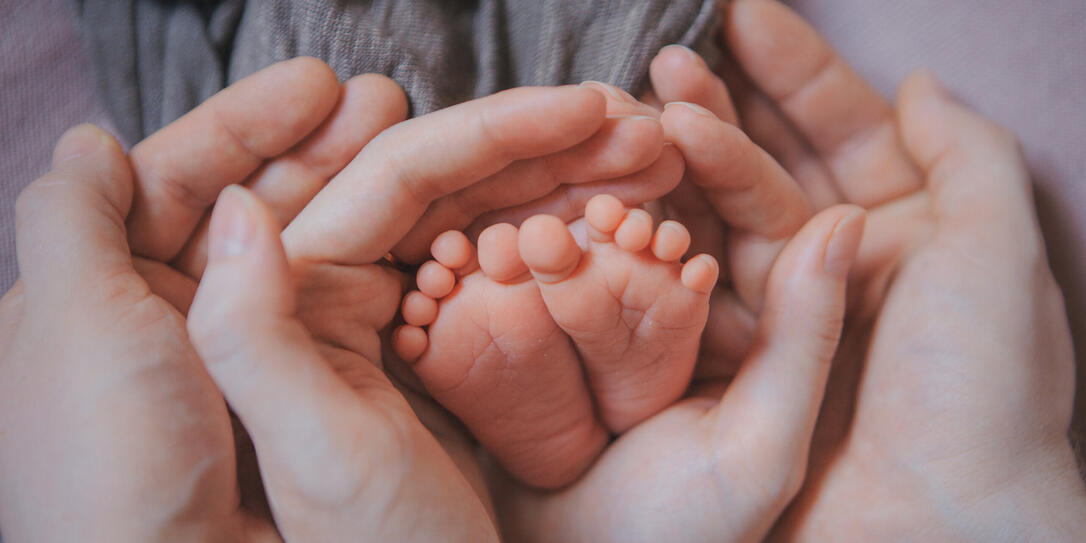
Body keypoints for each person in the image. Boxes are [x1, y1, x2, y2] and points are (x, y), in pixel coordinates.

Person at [0, 2, 1083, 543]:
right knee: (615, 104)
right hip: (431, 197)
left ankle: (521, 379)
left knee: (318, 97)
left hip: (326, 233)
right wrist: (964, 507)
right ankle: (580, 367)